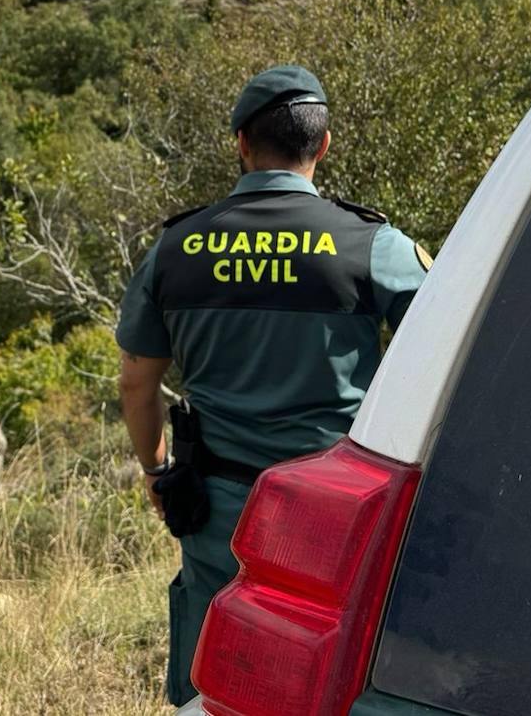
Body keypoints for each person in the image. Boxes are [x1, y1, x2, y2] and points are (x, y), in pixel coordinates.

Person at [115, 65, 429, 709]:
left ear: (239, 142)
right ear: (324, 144)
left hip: (219, 500)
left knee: (218, 666)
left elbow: (136, 383)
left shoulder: (176, 248)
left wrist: (154, 472)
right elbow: (450, 350)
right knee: (343, 663)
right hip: (339, 510)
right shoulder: (371, 244)